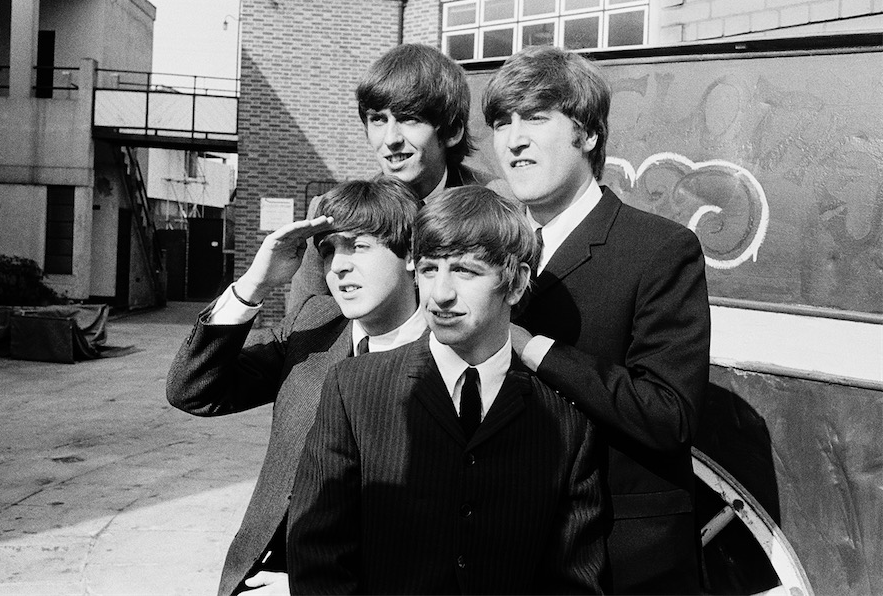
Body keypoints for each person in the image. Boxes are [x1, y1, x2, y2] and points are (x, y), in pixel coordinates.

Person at [288, 186, 605, 595]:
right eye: (428, 269)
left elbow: (575, 580)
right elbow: (317, 554)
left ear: (515, 283)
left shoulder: (567, 421)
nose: (440, 294)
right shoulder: (354, 389)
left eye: (465, 271)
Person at [482, 45, 711, 594]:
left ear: (586, 133)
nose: (513, 140)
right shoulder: (488, 252)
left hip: (623, 562)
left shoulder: (660, 249)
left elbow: (668, 415)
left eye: (535, 118)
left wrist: (530, 346)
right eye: (500, 122)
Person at [166, 177, 427, 596]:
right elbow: (193, 390)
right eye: (327, 251)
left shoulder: (449, 357)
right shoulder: (314, 323)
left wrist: (308, 586)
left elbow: (440, 535)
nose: (338, 266)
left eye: (358, 246)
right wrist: (256, 284)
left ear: (412, 254)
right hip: (261, 574)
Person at [285, 43, 507, 314]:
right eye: (378, 119)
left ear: (452, 131)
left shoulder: (503, 203)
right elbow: (305, 325)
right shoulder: (329, 214)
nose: (391, 140)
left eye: (410, 119)